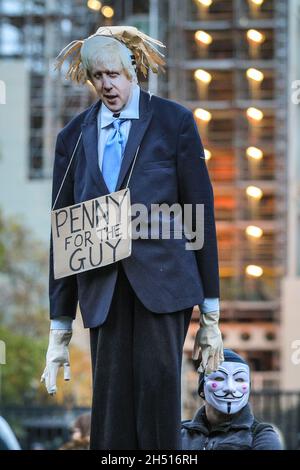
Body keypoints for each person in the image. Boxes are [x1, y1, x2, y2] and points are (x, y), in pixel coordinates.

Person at [41, 25, 223, 450]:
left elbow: (201, 215)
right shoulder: (72, 137)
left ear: (133, 70)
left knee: (158, 398)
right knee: (110, 412)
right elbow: (64, 230)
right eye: (97, 76)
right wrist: (59, 328)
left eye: (114, 74)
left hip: (164, 285)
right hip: (103, 288)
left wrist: (211, 315)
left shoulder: (173, 122)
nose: (106, 84)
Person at [181, 349, 282, 450]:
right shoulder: (179, 432)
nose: (230, 388)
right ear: (202, 389)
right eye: (219, 378)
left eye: (239, 379)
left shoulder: (261, 436)